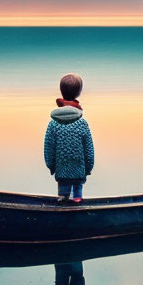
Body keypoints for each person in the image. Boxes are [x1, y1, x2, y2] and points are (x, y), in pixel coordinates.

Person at [44, 73, 94, 203]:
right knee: (77, 196)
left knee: (63, 196)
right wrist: (88, 168)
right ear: (78, 93)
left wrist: (51, 166)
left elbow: (49, 148)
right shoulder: (82, 123)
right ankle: (77, 203)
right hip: (79, 171)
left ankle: (64, 202)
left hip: (61, 172)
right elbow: (89, 150)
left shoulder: (53, 124)